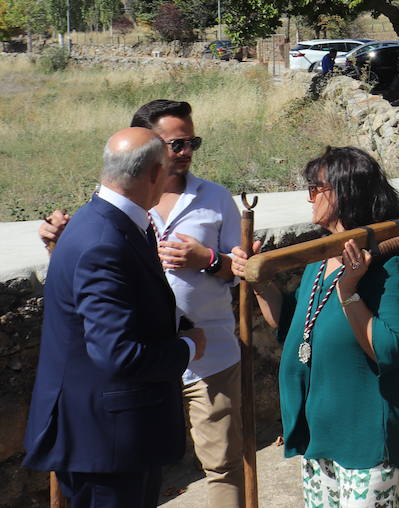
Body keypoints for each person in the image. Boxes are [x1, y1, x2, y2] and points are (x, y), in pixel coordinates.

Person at [37, 99, 245, 508]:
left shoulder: (214, 198)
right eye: (175, 145)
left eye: (192, 143)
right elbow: (96, 298)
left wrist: (210, 260)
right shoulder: (108, 220)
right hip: (140, 376)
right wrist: (57, 248)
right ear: (151, 157)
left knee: (221, 464)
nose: (184, 154)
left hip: (209, 357)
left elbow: (241, 268)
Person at [235, 146, 399, 507]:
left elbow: (389, 351)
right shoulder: (321, 258)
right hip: (321, 434)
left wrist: (350, 291)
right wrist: (259, 281)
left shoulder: (387, 266)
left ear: (343, 192)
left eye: (314, 188)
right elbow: (293, 325)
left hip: (365, 440)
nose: (308, 197)